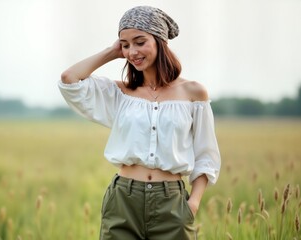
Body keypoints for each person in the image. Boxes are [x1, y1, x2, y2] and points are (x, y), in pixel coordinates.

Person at [58, 5, 221, 240]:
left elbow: (206, 155)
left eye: (139, 41)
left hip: (172, 204)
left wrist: (192, 204)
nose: (132, 51)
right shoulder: (120, 93)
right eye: (125, 45)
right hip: (123, 200)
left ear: (159, 41)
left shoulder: (193, 93)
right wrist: (112, 51)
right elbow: (69, 79)